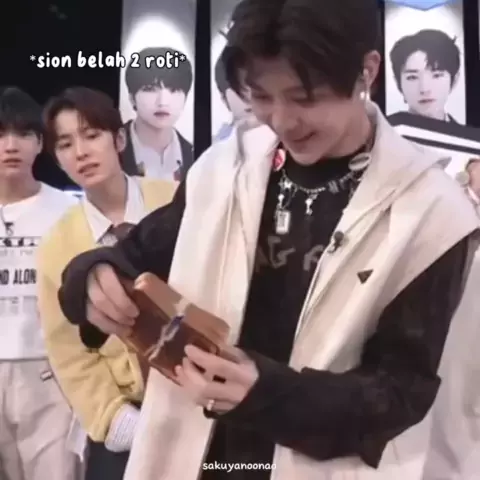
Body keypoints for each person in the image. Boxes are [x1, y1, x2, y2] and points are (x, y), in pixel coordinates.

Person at [56, 1, 480, 479]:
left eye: (305, 97)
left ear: (367, 71)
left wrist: (268, 393)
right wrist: (91, 276)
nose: (282, 120)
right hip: (198, 455)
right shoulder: (225, 169)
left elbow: (403, 391)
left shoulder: (432, 210)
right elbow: (134, 255)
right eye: (260, 96)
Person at [35, 87, 177, 480]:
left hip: (203, 394)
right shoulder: (56, 245)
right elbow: (67, 350)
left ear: (119, 139)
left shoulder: (176, 200)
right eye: (65, 144)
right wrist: (115, 418)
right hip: (128, 413)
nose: (81, 152)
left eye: (91, 135)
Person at [0, 86, 79, 480]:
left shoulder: (67, 210)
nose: (11, 145)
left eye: (23, 134)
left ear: (40, 143)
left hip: (50, 369)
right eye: (1, 134)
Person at [121, 46, 194, 180]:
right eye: (150, 89)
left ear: (186, 98)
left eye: (174, 90)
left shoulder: (196, 156)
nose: (162, 102)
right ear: (132, 98)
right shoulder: (109, 149)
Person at [389, 29, 461, 122]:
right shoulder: (384, 129)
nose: (424, 89)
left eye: (436, 75)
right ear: (398, 83)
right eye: (412, 77)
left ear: (454, 80)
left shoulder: (468, 132)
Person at [213, 46, 257, 142]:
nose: (249, 95)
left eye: (255, 86)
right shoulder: (218, 146)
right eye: (238, 88)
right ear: (224, 99)